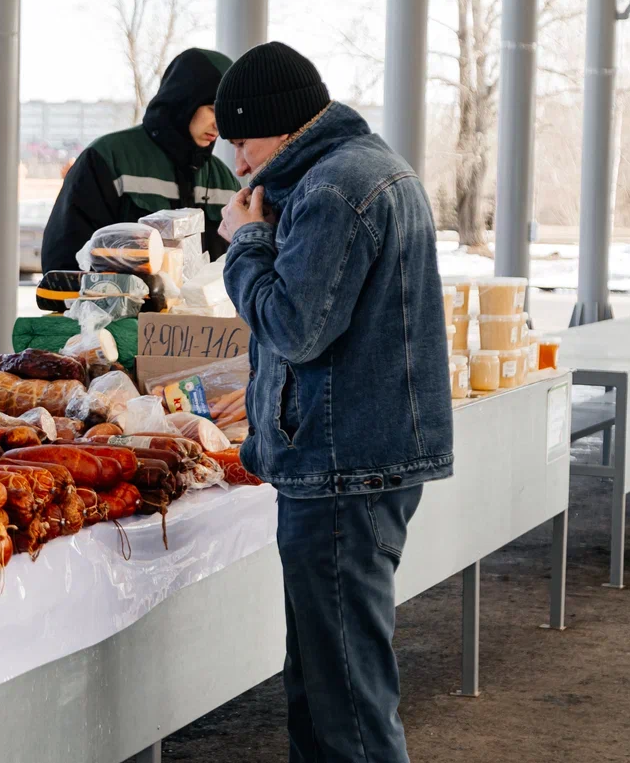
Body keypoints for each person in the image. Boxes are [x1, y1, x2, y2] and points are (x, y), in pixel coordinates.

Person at [214, 42, 453, 763]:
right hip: (354, 462)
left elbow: (295, 326)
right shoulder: (365, 167)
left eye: (242, 139)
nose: (237, 160)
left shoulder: (329, 189)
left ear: (282, 125)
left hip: (341, 471)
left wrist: (248, 242)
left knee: (347, 706)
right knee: (322, 691)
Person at [40, 48, 240, 272]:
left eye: (224, 115)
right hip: (114, 307)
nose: (219, 125)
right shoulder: (109, 159)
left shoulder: (225, 182)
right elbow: (63, 260)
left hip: (204, 308)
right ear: (183, 101)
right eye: (213, 110)